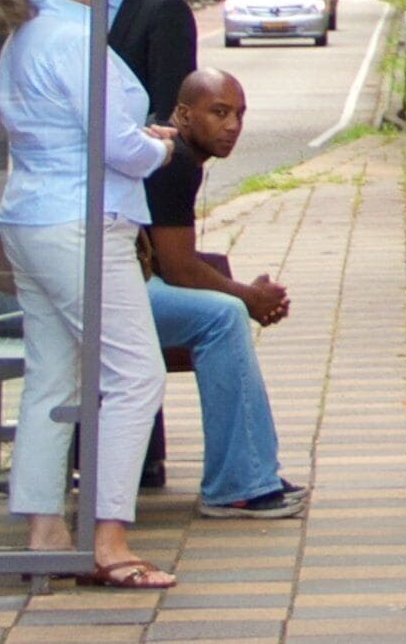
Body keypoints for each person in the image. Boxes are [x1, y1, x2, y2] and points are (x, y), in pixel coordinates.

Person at [0, 0, 183, 590]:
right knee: (135, 374)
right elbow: (113, 146)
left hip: (29, 218)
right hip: (82, 222)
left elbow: (25, 120)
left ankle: (45, 533)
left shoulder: (28, 34)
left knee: (52, 378)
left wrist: (127, 141)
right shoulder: (75, 41)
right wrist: (161, 149)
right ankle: (109, 541)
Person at [144, 69, 304, 518]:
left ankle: (252, 474)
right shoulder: (173, 162)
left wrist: (243, 294)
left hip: (115, 282)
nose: (232, 125)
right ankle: (239, 483)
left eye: (239, 115)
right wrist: (248, 298)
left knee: (224, 310)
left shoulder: (176, 159)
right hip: (109, 290)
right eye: (218, 112)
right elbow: (178, 268)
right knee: (223, 316)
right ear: (183, 114)